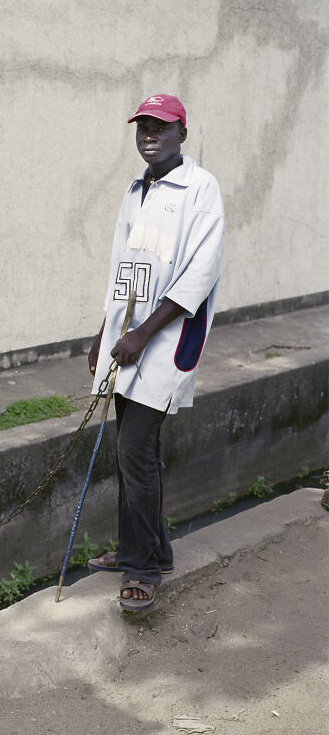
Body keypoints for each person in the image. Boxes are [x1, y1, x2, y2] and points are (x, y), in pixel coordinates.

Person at [86, 94, 225, 611]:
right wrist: (104, 332)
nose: (150, 134)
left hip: (164, 341)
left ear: (181, 134)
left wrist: (143, 334)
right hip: (127, 340)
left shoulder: (200, 188)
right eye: (143, 125)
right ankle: (149, 551)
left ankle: (142, 570)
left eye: (161, 126)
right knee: (135, 450)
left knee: (134, 451)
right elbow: (121, 269)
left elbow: (201, 272)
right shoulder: (135, 190)